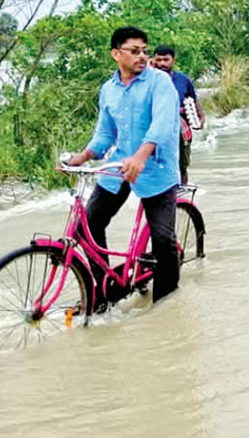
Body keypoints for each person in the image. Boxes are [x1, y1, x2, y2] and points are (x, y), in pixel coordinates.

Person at [65, 27, 181, 307]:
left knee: (163, 240)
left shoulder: (160, 83)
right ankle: (104, 294)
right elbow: (105, 134)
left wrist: (141, 156)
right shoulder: (109, 89)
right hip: (119, 168)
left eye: (145, 50)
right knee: (87, 225)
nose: (142, 56)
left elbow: (162, 125)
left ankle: (165, 308)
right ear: (116, 54)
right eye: (134, 51)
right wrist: (82, 156)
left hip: (155, 169)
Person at [152, 45, 205, 184]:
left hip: (181, 128)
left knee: (182, 163)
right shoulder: (149, 80)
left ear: (173, 60)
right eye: (159, 60)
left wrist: (200, 118)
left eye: (166, 60)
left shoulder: (183, 80)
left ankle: (182, 194)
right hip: (156, 126)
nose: (162, 63)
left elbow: (193, 100)